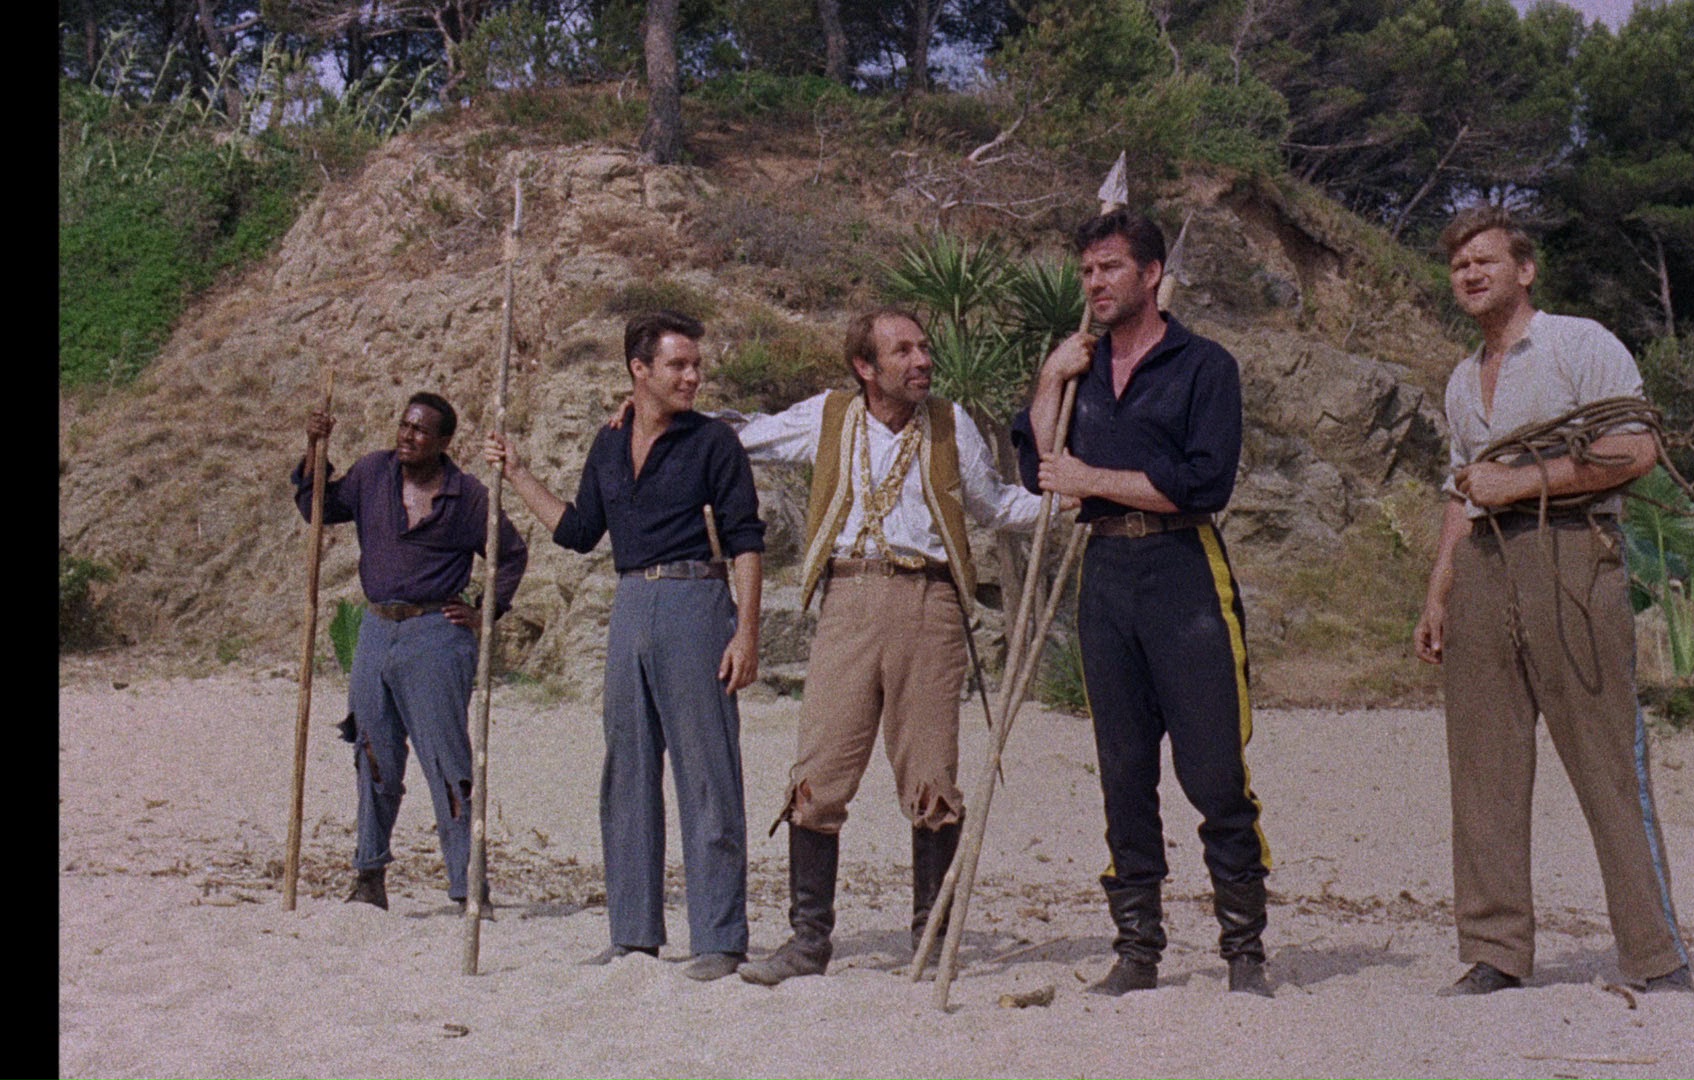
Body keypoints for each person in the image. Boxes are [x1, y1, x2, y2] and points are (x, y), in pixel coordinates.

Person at [1413, 205, 1693, 996]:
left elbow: (1636, 448)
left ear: (1526, 270)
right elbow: (1462, 492)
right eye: (1459, 265)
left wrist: (1519, 481)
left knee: (1606, 758)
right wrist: (1438, 594)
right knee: (1484, 764)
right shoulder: (1461, 378)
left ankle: (1656, 954)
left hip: (1573, 551)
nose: (1471, 273)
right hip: (1484, 563)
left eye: (1486, 260)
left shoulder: (1580, 343)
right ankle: (1496, 951)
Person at [725, 308, 1046, 986]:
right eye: (903, 351)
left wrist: (1072, 498)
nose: (922, 360)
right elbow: (744, 438)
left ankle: (930, 936)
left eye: (924, 348)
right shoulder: (829, 416)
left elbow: (995, 506)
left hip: (929, 604)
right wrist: (658, 419)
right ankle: (808, 942)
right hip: (847, 600)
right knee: (818, 773)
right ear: (865, 367)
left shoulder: (951, 424)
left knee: (931, 778)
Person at [1013, 210, 1273, 998]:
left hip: (1184, 571)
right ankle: (1136, 950)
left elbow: (1204, 482)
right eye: (1088, 271)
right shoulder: (1080, 368)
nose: (1095, 283)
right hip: (1105, 576)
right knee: (1123, 771)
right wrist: (1050, 379)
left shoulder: (1204, 366)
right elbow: (1038, 465)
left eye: (1111, 268)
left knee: (1213, 770)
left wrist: (1090, 479)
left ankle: (1244, 951)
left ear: (1152, 274)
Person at [482, 311, 766, 982]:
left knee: (708, 773)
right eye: (678, 365)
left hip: (697, 600)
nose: (692, 376)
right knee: (627, 771)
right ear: (640, 370)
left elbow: (747, 542)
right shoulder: (609, 443)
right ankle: (633, 935)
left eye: (696, 365)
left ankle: (719, 938)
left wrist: (747, 633)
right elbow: (579, 531)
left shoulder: (714, 442)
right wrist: (518, 474)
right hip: (630, 602)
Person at [295, 391, 528, 915]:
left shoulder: (467, 497)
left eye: (421, 430)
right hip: (376, 631)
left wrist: (485, 611)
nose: (407, 436)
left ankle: (469, 887)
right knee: (373, 755)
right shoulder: (371, 474)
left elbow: (511, 554)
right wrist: (314, 446)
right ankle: (369, 876)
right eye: (404, 425)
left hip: (436, 636)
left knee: (447, 762)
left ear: (444, 442)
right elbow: (317, 506)